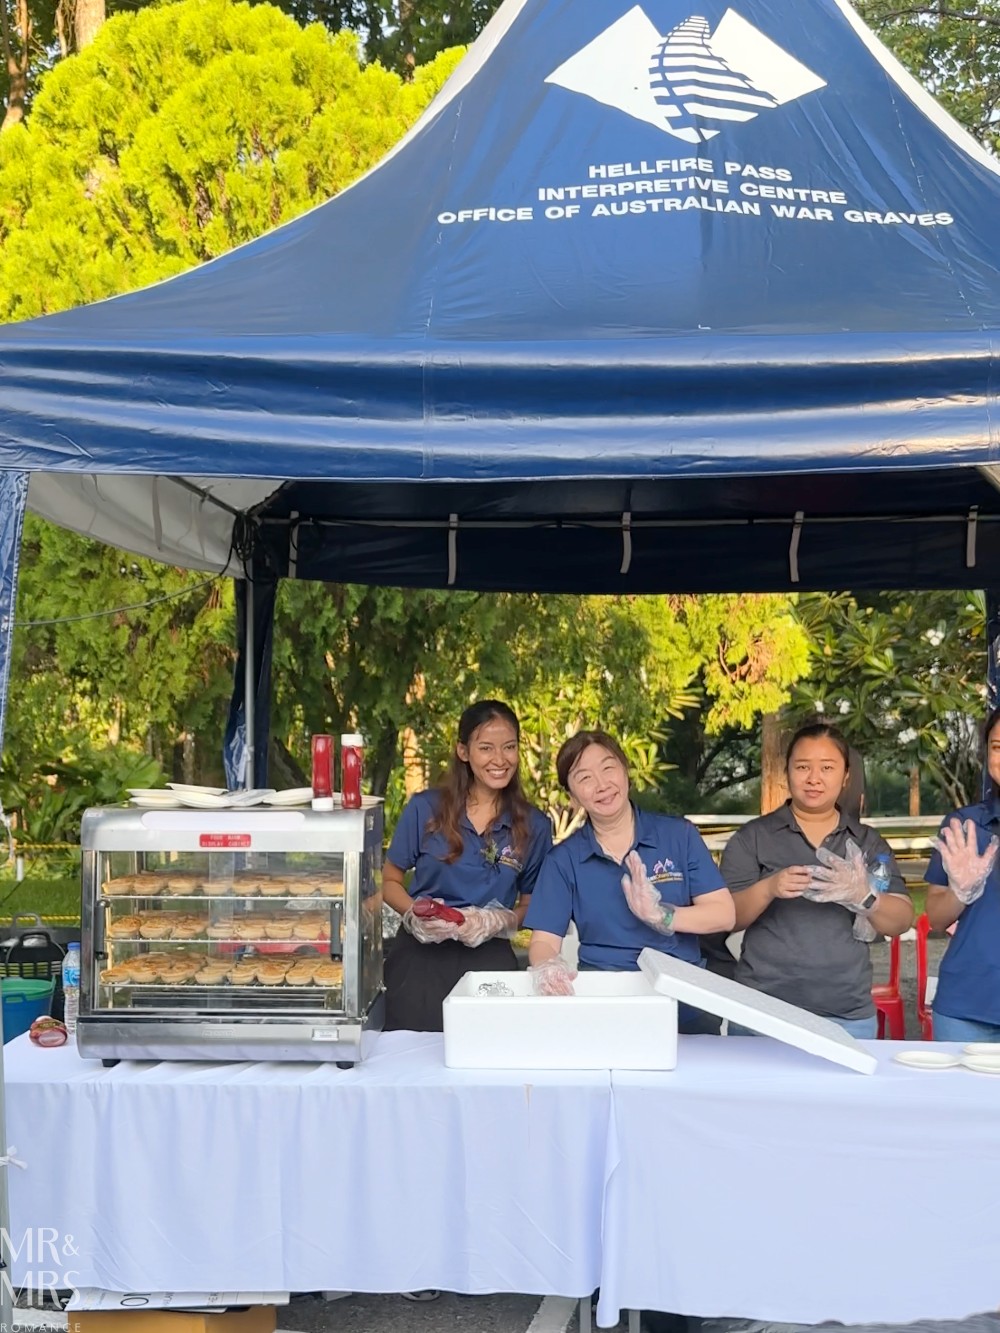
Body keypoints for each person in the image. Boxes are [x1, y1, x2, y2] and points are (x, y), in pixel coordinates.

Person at [524, 729, 735, 1033]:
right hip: (605, 1002)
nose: (601, 785)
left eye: (608, 768)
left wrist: (661, 915)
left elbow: (723, 914)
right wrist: (547, 968)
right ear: (572, 797)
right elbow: (544, 941)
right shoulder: (564, 860)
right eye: (584, 778)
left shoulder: (678, 836)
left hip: (684, 1001)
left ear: (626, 771)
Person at [721, 722, 912, 1037]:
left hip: (847, 1015)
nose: (814, 778)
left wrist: (863, 895)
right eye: (802, 767)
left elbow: (901, 921)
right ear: (787, 773)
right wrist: (768, 888)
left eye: (827, 767)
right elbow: (726, 917)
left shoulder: (866, 842)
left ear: (845, 776)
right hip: (762, 1010)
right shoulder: (754, 837)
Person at [382, 699, 552, 1034]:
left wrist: (498, 921)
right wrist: (414, 913)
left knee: (486, 1056)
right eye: (486, 747)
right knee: (408, 1063)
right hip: (420, 959)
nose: (499, 759)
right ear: (463, 751)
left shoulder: (535, 825)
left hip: (489, 962)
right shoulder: (424, 809)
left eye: (509, 747)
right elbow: (390, 880)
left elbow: (531, 904)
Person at [924, 706, 1000, 1042]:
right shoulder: (964, 827)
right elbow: (937, 918)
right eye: (997, 747)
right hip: (966, 1009)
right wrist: (961, 890)